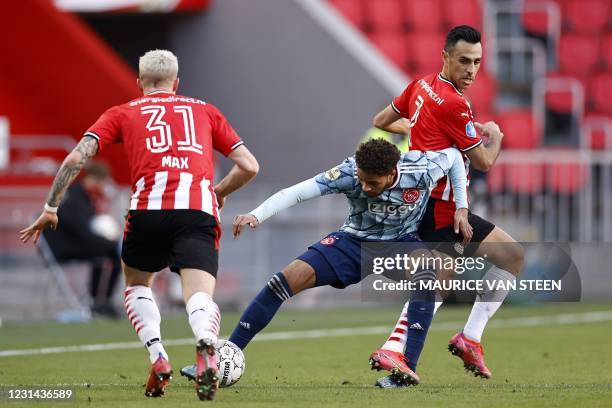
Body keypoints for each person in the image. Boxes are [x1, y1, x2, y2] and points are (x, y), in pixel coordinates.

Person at [20, 49, 259, 401]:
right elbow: (249, 166)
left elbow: (77, 156)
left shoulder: (123, 112)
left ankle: (157, 355)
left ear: (139, 82)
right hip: (197, 211)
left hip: (148, 211)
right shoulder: (205, 110)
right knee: (198, 294)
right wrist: (219, 192)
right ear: (177, 83)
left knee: (135, 284)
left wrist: (51, 206)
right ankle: (207, 343)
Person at [181, 138, 473, 386]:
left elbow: (455, 159)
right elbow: (297, 192)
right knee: (282, 281)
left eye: (372, 183)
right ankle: (222, 356)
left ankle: (407, 367)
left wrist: (462, 206)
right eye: (362, 180)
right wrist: (257, 215)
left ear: (392, 172)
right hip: (352, 242)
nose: (365, 187)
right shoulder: (348, 172)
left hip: (401, 243)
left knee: (427, 271)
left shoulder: (421, 168)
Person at [371, 25, 524, 386]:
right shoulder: (456, 103)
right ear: (445, 57)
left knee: (494, 262)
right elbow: (484, 162)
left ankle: (462, 340)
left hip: (426, 201)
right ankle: (402, 349)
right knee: (447, 280)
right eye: (463, 61)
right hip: (443, 205)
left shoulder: (421, 86)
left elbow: (381, 121)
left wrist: (422, 129)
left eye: (477, 62)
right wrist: (497, 137)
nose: (471, 70)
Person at [42, 161, 122, 318]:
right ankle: (100, 303)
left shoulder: (83, 197)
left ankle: (101, 302)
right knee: (112, 251)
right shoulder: (74, 199)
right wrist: (111, 242)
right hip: (63, 247)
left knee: (108, 252)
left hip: (71, 242)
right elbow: (83, 231)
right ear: (94, 179)